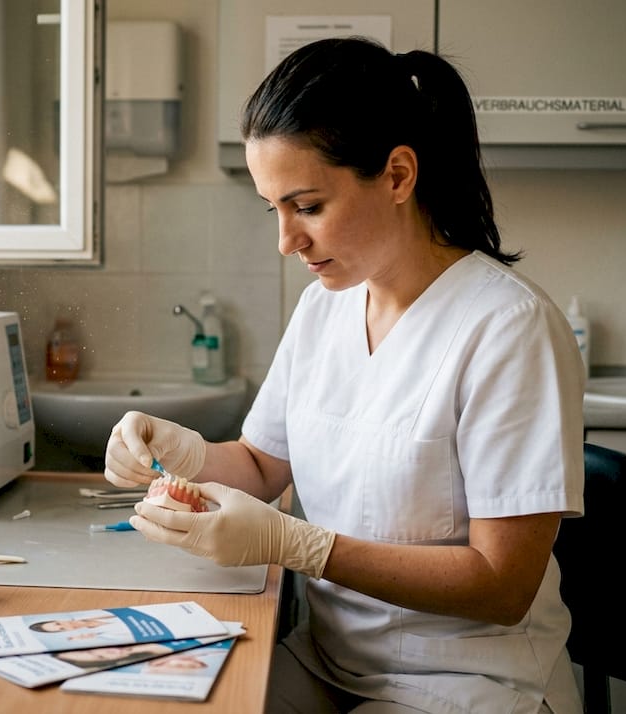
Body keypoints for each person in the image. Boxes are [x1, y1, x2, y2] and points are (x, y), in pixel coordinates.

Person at [103, 37, 586, 713]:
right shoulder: (323, 309)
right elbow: (262, 465)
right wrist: (181, 453)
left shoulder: (507, 327)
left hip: (465, 683)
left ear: (397, 176)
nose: (286, 241)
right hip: (327, 662)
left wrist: (298, 545)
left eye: (307, 206)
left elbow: (502, 585)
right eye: (273, 208)